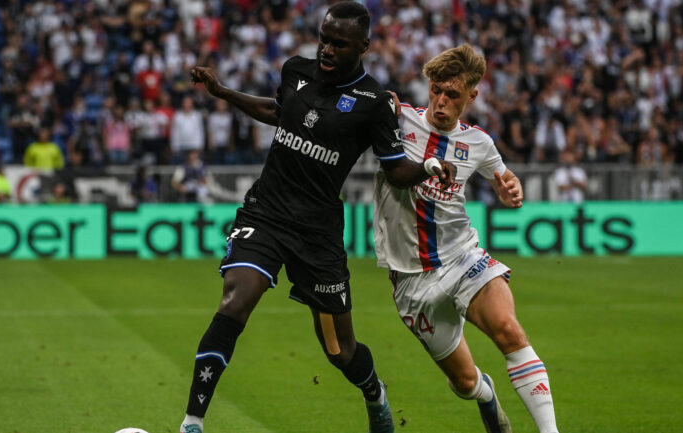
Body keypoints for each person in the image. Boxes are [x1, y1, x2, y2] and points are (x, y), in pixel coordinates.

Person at [180, 3, 453, 433]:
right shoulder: (295, 70)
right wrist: (223, 92)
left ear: (363, 46)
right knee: (236, 299)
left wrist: (431, 167)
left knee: (339, 350)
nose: (326, 48)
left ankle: (374, 392)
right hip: (265, 212)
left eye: (338, 43)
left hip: (318, 232)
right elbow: (277, 111)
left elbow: (396, 170)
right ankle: (192, 422)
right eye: (323, 38)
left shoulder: (375, 102)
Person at [375, 44, 559, 433]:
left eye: (452, 95)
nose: (441, 101)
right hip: (411, 280)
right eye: (436, 91)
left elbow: (504, 178)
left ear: (471, 96)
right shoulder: (398, 120)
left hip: (462, 257)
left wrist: (510, 189)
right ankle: (486, 395)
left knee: (509, 331)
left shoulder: (479, 143)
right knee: (465, 383)